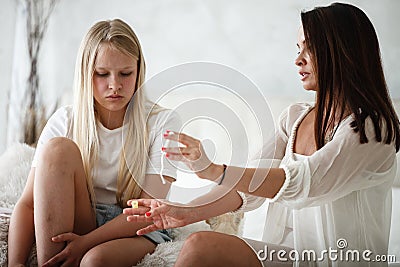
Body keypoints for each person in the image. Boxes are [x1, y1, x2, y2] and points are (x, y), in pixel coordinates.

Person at [123, 3, 400, 266]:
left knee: (200, 248)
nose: (297, 60)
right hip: (289, 256)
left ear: (343, 52)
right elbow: (250, 189)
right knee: (199, 245)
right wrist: (184, 212)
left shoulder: (372, 128)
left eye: (310, 48)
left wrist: (214, 170)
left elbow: (304, 183)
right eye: (297, 48)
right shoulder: (294, 117)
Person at [8, 18, 181, 266]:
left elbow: (147, 212)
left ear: (139, 70)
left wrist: (85, 243)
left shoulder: (163, 122)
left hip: (136, 226)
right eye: (102, 74)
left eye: (125, 73)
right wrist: (16, 264)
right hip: (84, 214)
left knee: (93, 261)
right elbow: (27, 204)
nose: (115, 86)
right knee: (58, 149)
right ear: (86, 73)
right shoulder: (65, 120)